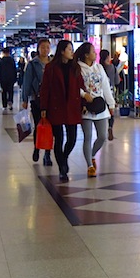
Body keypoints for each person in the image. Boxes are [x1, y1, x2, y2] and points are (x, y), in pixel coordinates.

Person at [40, 40, 85, 181]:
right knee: (58, 139)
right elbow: (45, 88)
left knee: (72, 139)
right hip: (56, 107)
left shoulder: (75, 68)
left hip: (72, 106)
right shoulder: (51, 68)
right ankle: (62, 169)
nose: (72, 52)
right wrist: (43, 107)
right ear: (62, 51)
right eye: (69, 49)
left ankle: (63, 158)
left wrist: (83, 103)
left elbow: (81, 87)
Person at [77, 43, 115, 177]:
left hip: (100, 106)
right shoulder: (77, 69)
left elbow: (106, 86)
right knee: (87, 136)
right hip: (86, 107)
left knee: (102, 136)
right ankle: (89, 165)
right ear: (86, 55)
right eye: (93, 51)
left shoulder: (99, 67)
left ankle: (92, 154)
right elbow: (74, 86)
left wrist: (111, 104)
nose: (95, 53)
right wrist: (83, 94)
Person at [22, 39, 52, 166]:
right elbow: (27, 82)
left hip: (51, 99)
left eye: (47, 47)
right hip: (37, 99)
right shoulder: (33, 64)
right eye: (43, 47)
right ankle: (37, 147)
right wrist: (25, 99)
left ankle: (47, 154)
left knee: (50, 127)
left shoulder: (53, 63)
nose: (45, 50)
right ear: (38, 49)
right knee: (39, 125)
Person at [100, 49, 123, 141]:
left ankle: (101, 131)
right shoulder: (112, 67)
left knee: (101, 113)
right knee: (111, 112)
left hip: (99, 94)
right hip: (110, 92)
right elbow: (117, 81)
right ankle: (110, 127)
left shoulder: (98, 67)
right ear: (108, 57)